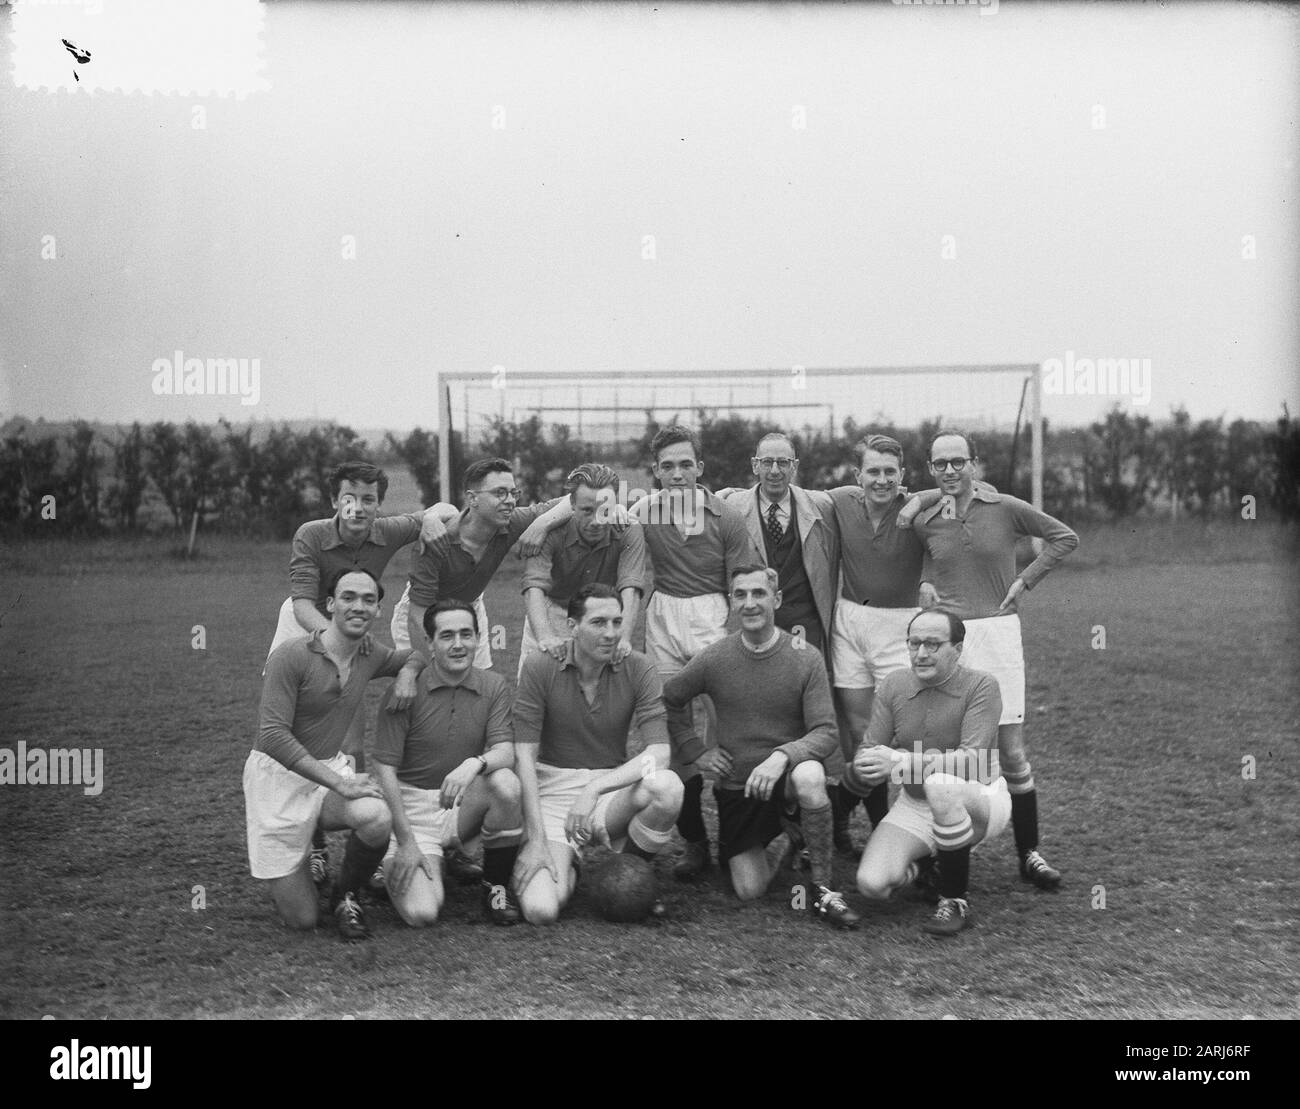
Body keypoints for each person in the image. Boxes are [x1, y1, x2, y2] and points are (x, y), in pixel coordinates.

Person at [265, 460, 457, 888]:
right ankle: (312, 845)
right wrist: (333, 643)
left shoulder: (387, 530)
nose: (359, 507)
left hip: (352, 627)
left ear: (378, 504)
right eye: (349, 498)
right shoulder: (311, 534)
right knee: (300, 737)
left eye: (369, 499)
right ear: (335, 500)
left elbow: (446, 511)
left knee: (351, 745)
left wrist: (428, 520)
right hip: (306, 627)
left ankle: (363, 853)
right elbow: (300, 604)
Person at [902, 428, 1079, 890]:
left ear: (974, 464)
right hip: (951, 643)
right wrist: (924, 579)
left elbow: (1064, 537)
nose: (950, 470)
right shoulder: (924, 517)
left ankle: (1030, 854)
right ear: (930, 469)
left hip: (999, 634)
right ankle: (943, 854)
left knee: (1011, 753)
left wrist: (1027, 578)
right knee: (950, 754)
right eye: (940, 463)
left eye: (958, 461)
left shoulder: (1005, 508)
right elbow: (926, 554)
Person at [662, 566, 859, 928]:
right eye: (740, 595)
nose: (749, 603)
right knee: (749, 890)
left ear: (777, 600)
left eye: (759, 594)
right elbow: (671, 699)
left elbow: (826, 731)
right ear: (731, 603)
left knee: (811, 774)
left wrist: (783, 756)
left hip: (787, 782)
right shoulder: (714, 658)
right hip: (740, 787)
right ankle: (787, 838)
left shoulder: (805, 656)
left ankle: (822, 887)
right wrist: (696, 751)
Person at [243, 568, 426, 942]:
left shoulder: (370, 653)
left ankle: (346, 895)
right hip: (277, 780)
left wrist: (408, 673)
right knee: (304, 920)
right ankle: (300, 861)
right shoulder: (290, 655)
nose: (358, 606)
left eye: (369, 599)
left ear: (377, 610)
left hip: (328, 772)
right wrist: (341, 783)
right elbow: (273, 737)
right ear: (329, 605)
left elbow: (418, 655)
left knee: (376, 816)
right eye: (348, 597)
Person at [511, 584, 684, 925]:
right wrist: (535, 840)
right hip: (553, 791)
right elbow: (524, 759)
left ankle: (629, 873)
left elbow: (658, 754)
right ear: (572, 627)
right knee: (541, 911)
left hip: (608, 791)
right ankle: (570, 864)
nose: (611, 633)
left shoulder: (639, 667)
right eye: (599, 623)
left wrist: (595, 789)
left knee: (667, 787)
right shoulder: (539, 666)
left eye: (617, 623)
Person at [632, 425, 762, 880]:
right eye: (667, 466)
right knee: (674, 730)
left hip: (714, 615)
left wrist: (732, 630)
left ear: (700, 468)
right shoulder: (645, 512)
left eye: (686, 464)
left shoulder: (725, 516)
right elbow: (585, 509)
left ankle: (738, 838)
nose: (677, 473)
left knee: (730, 728)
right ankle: (695, 844)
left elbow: (745, 580)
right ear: (656, 472)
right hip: (664, 615)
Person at [846, 608, 1010, 936]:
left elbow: (971, 760)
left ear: (958, 649)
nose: (921, 653)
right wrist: (865, 766)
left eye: (933, 644)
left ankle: (954, 900)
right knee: (871, 884)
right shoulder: (894, 684)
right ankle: (927, 867)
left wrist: (903, 762)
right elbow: (870, 748)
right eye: (914, 643)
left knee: (940, 785)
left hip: (979, 796)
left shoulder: (982, 685)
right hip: (916, 801)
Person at [370, 600, 524, 927]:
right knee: (422, 914)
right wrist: (408, 842)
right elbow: (384, 771)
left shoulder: (494, 685)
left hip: (456, 803)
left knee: (505, 783)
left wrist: (475, 763)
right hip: (409, 810)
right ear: (430, 643)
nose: (458, 645)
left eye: (466, 634)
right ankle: (395, 857)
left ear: (478, 638)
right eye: (447, 636)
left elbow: (505, 752)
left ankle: (494, 887)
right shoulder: (405, 690)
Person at [389, 456, 580, 669]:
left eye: (513, 493)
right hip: (425, 614)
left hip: (470, 607)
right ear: (472, 499)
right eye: (499, 493)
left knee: (477, 689)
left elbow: (575, 499)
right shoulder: (436, 538)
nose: (509, 500)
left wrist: (542, 524)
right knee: (426, 688)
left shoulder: (511, 522)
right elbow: (417, 615)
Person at [518, 463, 646, 675]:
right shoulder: (548, 531)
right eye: (587, 510)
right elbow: (534, 586)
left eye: (605, 510)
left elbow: (630, 587)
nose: (596, 521)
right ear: (571, 505)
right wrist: (544, 636)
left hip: (601, 617)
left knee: (594, 693)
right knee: (536, 690)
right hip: (552, 611)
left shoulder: (629, 530)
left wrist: (622, 638)